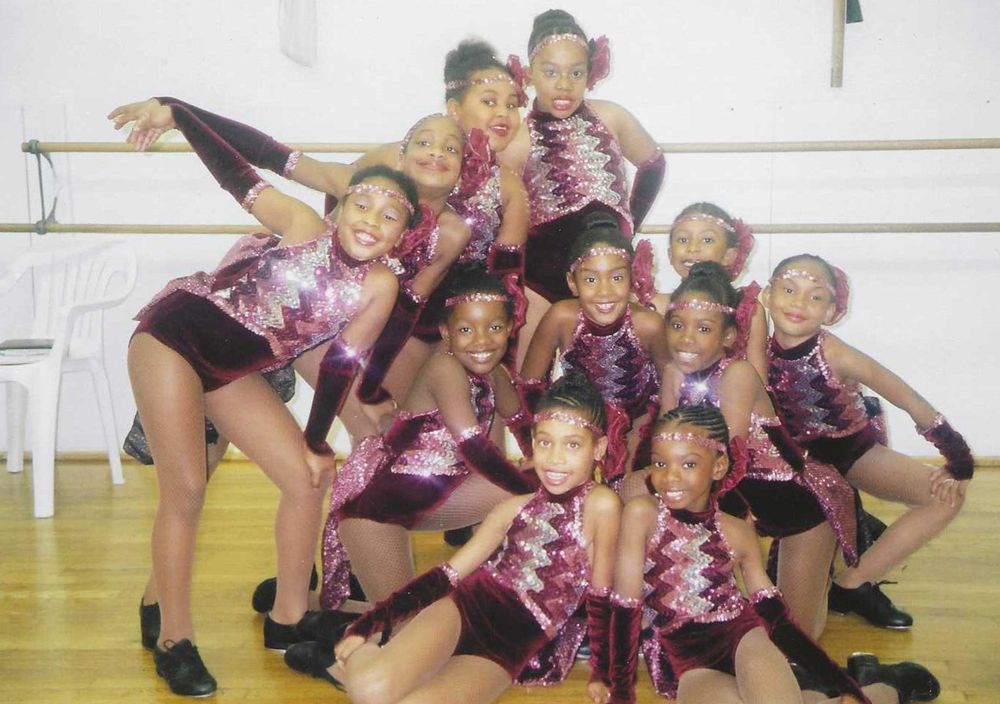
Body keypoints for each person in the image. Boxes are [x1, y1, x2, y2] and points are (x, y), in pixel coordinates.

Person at [108, 98, 421, 697]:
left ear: (403, 236)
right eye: (362, 202)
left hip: (230, 370)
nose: (371, 220)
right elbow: (237, 171)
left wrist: (314, 439)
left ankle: (287, 618)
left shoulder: (378, 285)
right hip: (173, 338)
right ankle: (174, 636)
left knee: (306, 476)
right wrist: (176, 113)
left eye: (389, 216)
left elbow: (337, 366)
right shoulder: (303, 226)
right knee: (188, 489)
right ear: (341, 205)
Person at [282, 373, 622, 703]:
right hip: (463, 610)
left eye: (572, 445)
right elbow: (447, 575)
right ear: (533, 443)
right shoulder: (512, 509)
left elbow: (601, 595)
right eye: (545, 442)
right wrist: (370, 625)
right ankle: (359, 639)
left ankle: (356, 646)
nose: (556, 459)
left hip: (504, 650)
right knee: (371, 690)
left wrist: (603, 674)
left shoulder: (601, 505)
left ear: (599, 448)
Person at [601, 404, 941, 704]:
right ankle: (879, 685)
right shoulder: (642, 515)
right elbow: (626, 606)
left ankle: (876, 688)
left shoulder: (734, 531)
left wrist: (837, 679)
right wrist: (619, 691)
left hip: (744, 640)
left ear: (719, 467)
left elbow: (775, 617)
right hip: (690, 664)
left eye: (688, 464)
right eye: (660, 463)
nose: (669, 477)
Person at [630, 262, 857, 638]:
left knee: (792, 641)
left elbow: (725, 455)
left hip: (792, 504)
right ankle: (638, 608)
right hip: (729, 491)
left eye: (703, 329)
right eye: (677, 325)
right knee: (624, 494)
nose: (687, 339)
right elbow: (665, 446)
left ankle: (835, 597)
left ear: (728, 337)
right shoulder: (673, 373)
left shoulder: (736, 374)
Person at [316, 266, 536, 618]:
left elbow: (521, 422)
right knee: (404, 627)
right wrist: (529, 479)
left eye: (494, 327)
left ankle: (520, 598)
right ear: (446, 334)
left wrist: (541, 458)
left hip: (435, 495)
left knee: (543, 489)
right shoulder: (444, 368)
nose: (482, 341)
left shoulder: (496, 373)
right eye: (466, 330)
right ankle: (320, 621)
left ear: (510, 329)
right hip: (376, 513)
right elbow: (473, 447)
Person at [765, 254, 971, 629]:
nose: (798, 303)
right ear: (767, 296)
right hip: (795, 467)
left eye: (815, 297)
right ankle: (827, 545)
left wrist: (956, 453)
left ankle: (853, 583)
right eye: (789, 290)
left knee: (944, 497)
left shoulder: (835, 352)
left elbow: (905, 395)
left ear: (831, 312)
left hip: (852, 452)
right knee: (799, 629)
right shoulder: (755, 350)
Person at [519, 213, 667, 486]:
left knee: (628, 489)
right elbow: (529, 384)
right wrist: (538, 445)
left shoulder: (649, 325)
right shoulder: (562, 317)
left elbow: (669, 388)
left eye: (617, 277)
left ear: (633, 279)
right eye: (590, 280)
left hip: (637, 426)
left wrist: (651, 443)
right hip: (580, 427)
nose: (604, 292)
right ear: (572, 283)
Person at [651, 202, 767, 379]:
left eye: (707, 240)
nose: (692, 248)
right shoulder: (658, 306)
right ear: (669, 254)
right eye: (683, 239)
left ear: (730, 255)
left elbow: (759, 378)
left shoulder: (748, 310)